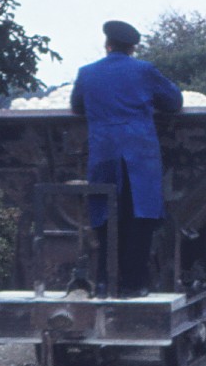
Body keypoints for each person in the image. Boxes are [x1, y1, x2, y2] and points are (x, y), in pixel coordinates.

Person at [70, 20, 183, 297]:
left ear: (107, 45)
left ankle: (104, 281)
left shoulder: (87, 73)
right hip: (139, 155)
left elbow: (76, 106)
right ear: (132, 48)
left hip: (103, 154)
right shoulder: (144, 70)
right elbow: (174, 102)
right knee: (140, 218)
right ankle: (135, 283)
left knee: (105, 217)